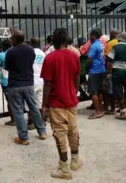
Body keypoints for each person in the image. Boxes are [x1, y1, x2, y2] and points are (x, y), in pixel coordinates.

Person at [41, 28, 82, 179]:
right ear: (66, 40)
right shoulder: (74, 56)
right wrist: (75, 91)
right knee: (73, 131)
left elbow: (47, 84)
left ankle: (64, 168)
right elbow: (77, 76)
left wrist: (44, 105)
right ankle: (75, 161)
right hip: (71, 100)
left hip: (56, 102)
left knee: (60, 134)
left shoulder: (50, 58)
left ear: (53, 41)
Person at [5, 30, 47, 144]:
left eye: (12, 38)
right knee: (34, 107)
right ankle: (42, 132)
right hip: (29, 83)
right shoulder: (30, 50)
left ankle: (23, 137)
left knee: (18, 111)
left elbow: (7, 67)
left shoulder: (10, 52)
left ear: (15, 40)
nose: (11, 40)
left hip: (15, 85)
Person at [106, 32, 126, 119]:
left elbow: (109, 62)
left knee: (120, 93)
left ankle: (123, 113)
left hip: (117, 72)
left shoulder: (115, 47)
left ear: (119, 38)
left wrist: (108, 73)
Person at [86, 28, 106, 119]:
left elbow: (89, 59)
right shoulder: (101, 44)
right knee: (99, 91)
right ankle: (100, 109)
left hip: (94, 70)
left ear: (93, 36)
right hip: (102, 69)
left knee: (93, 92)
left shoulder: (93, 46)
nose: (89, 37)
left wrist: (86, 68)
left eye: (90, 35)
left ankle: (98, 111)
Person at [0, 39, 15, 126]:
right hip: (15, 79)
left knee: (9, 101)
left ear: (3, 47)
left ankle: (13, 120)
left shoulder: (1, 55)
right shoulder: (15, 53)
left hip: (5, 80)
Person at [30, 37, 46, 119]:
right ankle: (41, 119)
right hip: (41, 80)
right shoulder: (43, 54)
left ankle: (30, 121)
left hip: (32, 81)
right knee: (40, 102)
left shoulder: (29, 52)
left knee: (30, 102)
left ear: (31, 43)